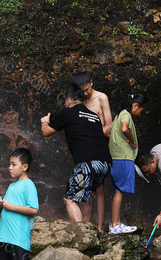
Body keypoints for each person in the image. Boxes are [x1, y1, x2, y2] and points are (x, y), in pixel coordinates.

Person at [41, 85, 112, 225]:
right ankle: (88, 231)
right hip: (105, 164)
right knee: (86, 197)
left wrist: (45, 121)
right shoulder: (94, 116)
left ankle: (81, 234)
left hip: (88, 164)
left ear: (68, 102)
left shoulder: (68, 112)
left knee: (69, 199)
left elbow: (46, 132)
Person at [74, 71, 113, 230]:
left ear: (92, 82)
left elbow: (109, 127)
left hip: (100, 145)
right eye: (82, 91)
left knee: (99, 188)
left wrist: (94, 135)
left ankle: (100, 226)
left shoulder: (101, 98)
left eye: (87, 89)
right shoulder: (79, 101)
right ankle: (85, 226)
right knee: (86, 187)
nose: (85, 93)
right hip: (84, 147)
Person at [108, 92, 149, 234]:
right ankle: (114, 225)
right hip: (124, 158)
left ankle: (116, 223)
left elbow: (108, 132)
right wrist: (131, 141)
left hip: (116, 158)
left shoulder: (118, 115)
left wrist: (116, 140)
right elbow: (125, 128)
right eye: (141, 110)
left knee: (119, 191)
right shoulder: (126, 115)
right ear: (135, 105)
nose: (141, 113)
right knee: (120, 192)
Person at [0, 148, 39, 260]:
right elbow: (8, 206)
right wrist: (2, 204)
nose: (10, 167)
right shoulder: (11, 186)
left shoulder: (29, 185)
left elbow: (34, 209)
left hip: (18, 240)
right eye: (9, 164)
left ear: (25, 167)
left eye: (14, 164)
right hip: (4, 238)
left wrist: (11, 207)